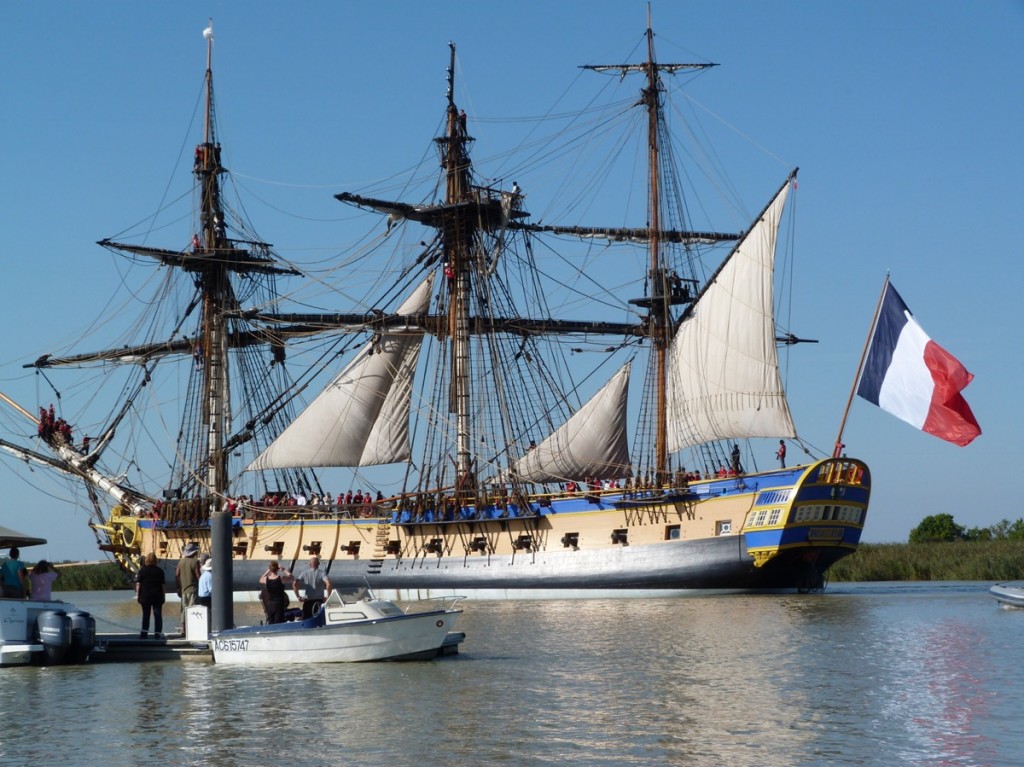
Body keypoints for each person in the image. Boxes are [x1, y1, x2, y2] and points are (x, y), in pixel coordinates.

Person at [135, 552, 166, 639]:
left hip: (145, 596)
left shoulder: (142, 571)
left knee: (146, 615)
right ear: (156, 560)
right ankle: (157, 634)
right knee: (158, 615)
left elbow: (138, 584)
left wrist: (138, 595)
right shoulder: (160, 571)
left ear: (146, 560)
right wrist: (164, 596)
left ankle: (144, 634)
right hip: (157, 596)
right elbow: (163, 585)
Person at [294, 555, 332, 620]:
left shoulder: (304, 573)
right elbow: (328, 584)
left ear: (309, 564)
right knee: (319, 620)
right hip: (319, 601)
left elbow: (295, 583)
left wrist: (298, 596)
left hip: (307, 601)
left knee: (306, 620)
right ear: (319, 564)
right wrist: (328, 596)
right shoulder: (322, 573)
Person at [175, 542, 200, 633]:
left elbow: (177, 575)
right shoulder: (195, 561)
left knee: (183, 610)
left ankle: (183, 630)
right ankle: (192, 630)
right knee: (192, 609)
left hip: (183, 590)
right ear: (194, 552)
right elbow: (198, 576)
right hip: (193, 589)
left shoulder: (180, 562)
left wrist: (178, 588)